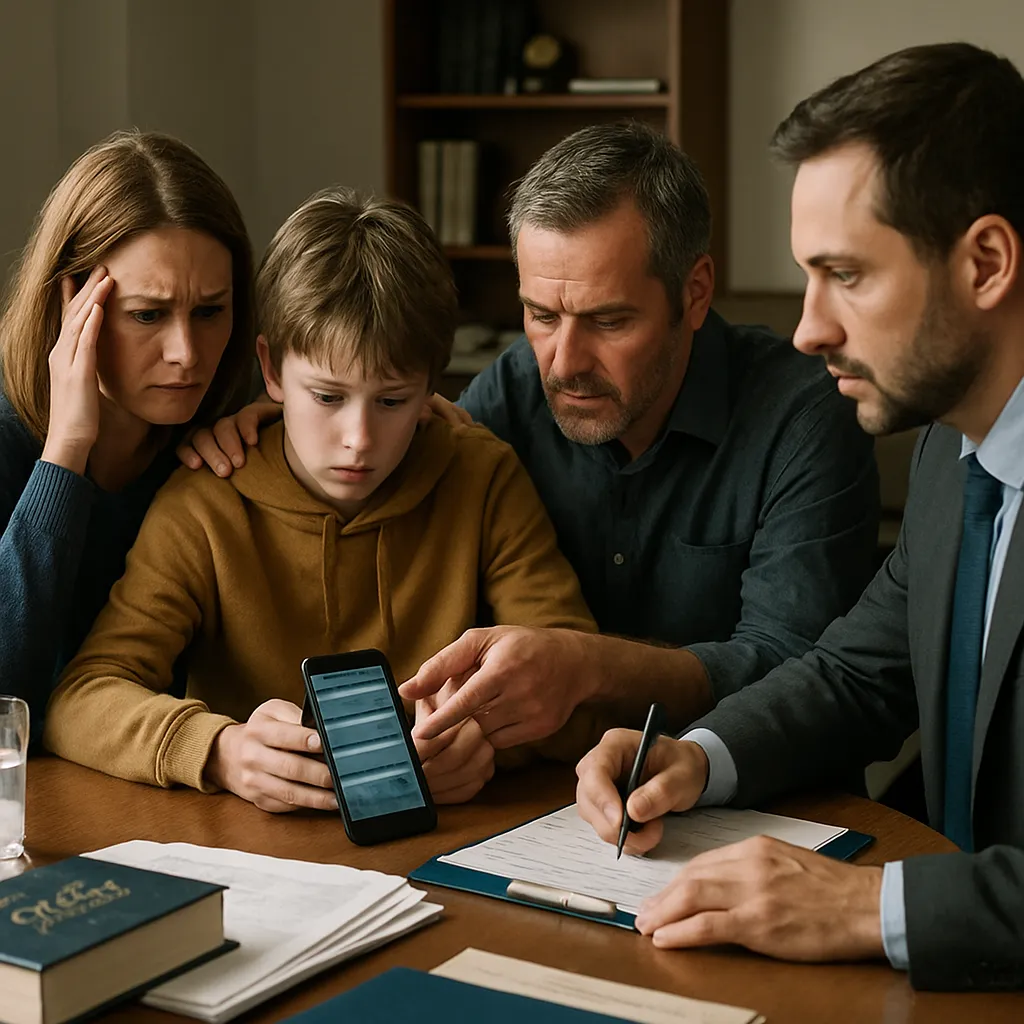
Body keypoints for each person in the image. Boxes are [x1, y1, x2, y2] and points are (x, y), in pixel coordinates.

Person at [575, 43, 1024, 992]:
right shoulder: (955, 450)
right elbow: (859, 673)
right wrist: (693, 758)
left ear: (986, 261)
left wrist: (865, 905)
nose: (808, 327)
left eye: (845, 274)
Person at [43, 188, 602, 811]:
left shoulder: (484, 477)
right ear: (272, 371)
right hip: (253, 858)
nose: (358, 441)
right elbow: (80, 697)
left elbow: (574, 681)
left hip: (445, 848)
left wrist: (482, 745)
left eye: (391, 401)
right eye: (328, 398)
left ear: (430, 388)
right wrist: (217, 749)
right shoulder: (205, 503)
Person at [400, 121, 879, 749]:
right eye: (542, 315)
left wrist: (588, 666)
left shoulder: (806, 415)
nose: (564, 362)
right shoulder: (519, 384)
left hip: (764, 803)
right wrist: (287, 430)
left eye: (608, 320)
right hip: (548, 802)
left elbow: (795, 671)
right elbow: (399, 485)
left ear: (695, 292)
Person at [0, 130, 257, 734]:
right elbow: (5, 707)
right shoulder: (8, 446)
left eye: (210, 311)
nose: (187, 354)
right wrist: (64, 455)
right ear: (70, 306)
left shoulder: (225, 441)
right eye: (147, 314)